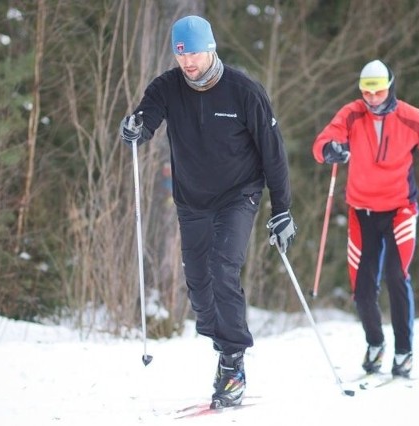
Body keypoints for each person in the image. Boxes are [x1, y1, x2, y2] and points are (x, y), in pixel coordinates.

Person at [119, 15, 296, 408]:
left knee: (222, 268)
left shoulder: (244, 90)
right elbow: (146, 118)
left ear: (211, 48)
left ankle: (233, 362)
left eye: (194, 53)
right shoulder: (168, 87)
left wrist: (282, 210)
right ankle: (222, 346)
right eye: (181, 55)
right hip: (192, 200)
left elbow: (274, 152)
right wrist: (135, 130)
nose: (188, 63)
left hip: (239, 194)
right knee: (199, 287)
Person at [312, 59, 419, 378]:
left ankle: (404, 352)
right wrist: (329, 150)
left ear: (391, 87)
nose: (372, 99)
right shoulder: (351, 114)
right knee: (361, 288)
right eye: (366, 93)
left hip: (400, 209)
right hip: (362, 212)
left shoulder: (413, 119)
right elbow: (320, 144)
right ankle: (376, 344)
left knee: (396, 276)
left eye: (379, 92)